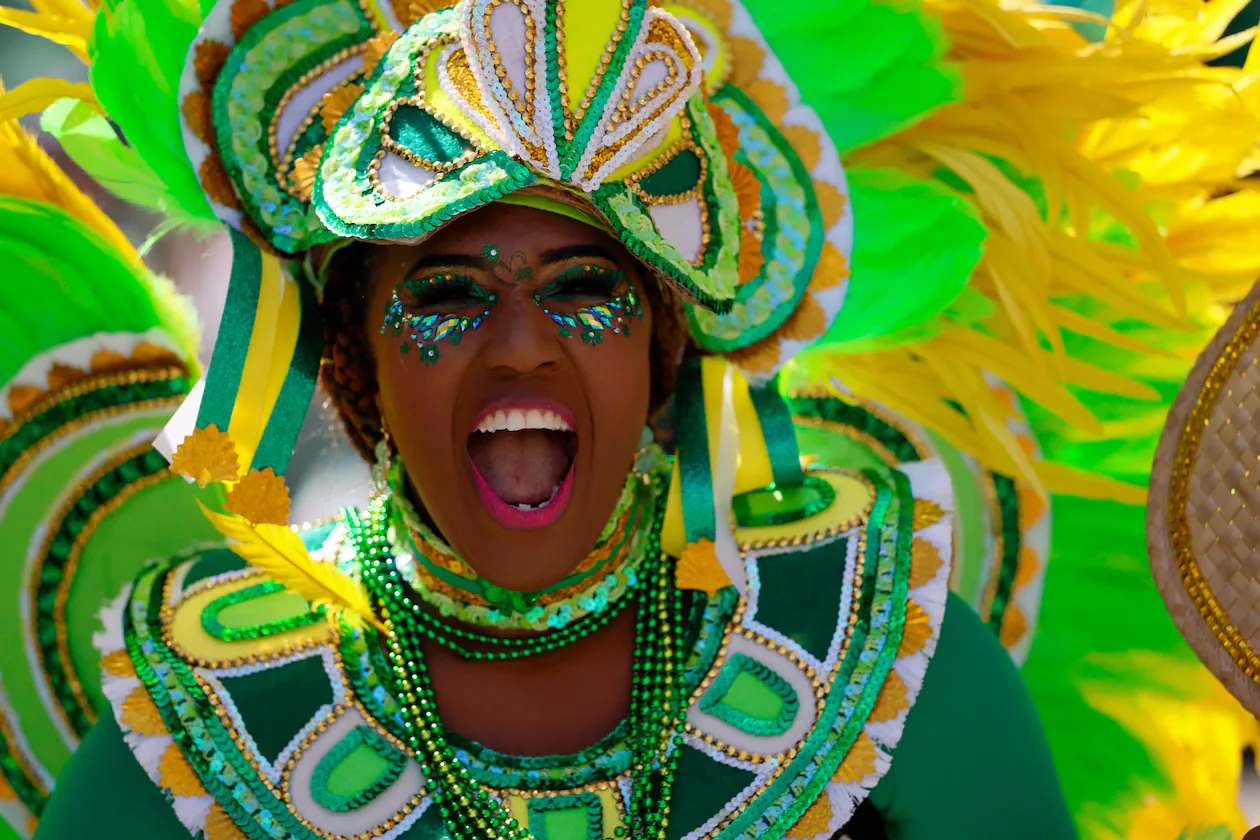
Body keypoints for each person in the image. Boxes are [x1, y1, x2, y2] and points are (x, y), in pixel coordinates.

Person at [0, 0, 1254, 837]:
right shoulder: (193, 730)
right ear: (353, 351)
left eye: (588, 291)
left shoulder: (905, 684)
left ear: (669, 344)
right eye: (443, 294)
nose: (522, 343)